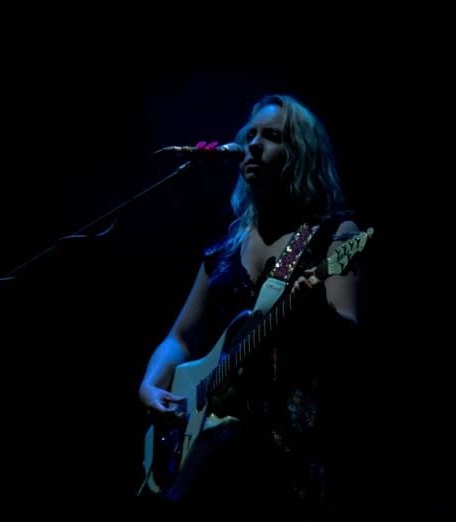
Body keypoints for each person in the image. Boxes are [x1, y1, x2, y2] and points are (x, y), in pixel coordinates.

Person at [137, 93, 371, 518]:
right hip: (218, 449)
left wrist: (318, 309)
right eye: (251, 135)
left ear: (301, 154)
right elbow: (181, 338)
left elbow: (349, 328)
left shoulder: (337, 235)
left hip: (291, 444)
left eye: (273, 136)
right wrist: (150, 384)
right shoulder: (227, 248)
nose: (254, 145)